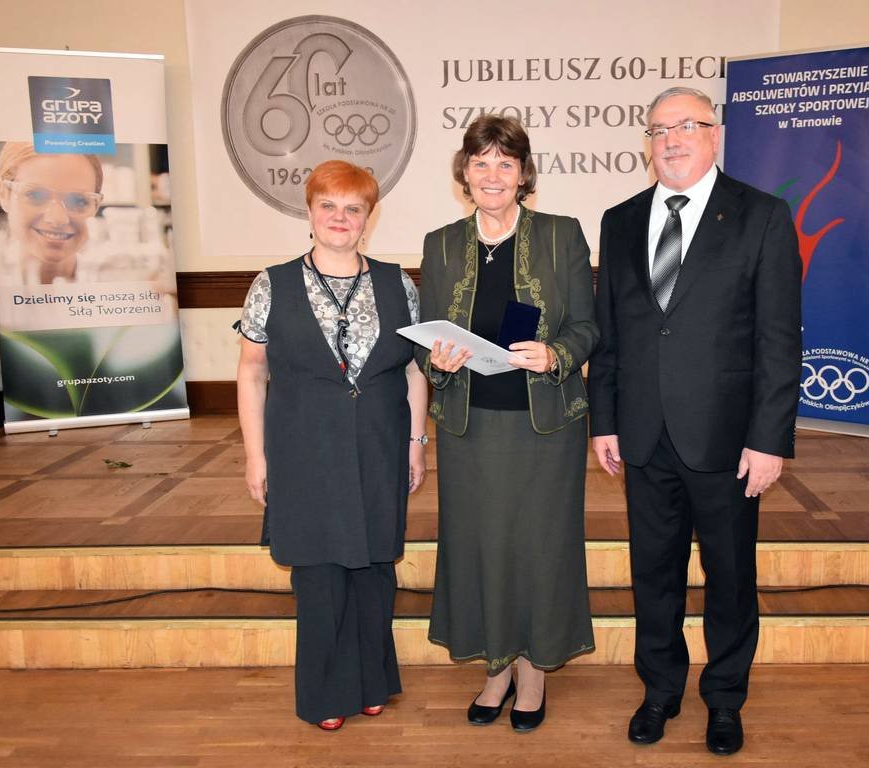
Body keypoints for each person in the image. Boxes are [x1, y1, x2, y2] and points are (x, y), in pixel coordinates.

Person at [588, 87, 802, 754]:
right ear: (646, 144)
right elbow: (610, 332)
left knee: (730, 577)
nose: (671, 139)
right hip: (642, 435)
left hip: (727, 440)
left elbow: (777, 340)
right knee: (653, 574)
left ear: (715, 134)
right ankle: (659, 691)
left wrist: (768, 440)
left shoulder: (762, 215)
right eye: (658, 130)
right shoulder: (620, 220)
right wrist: (603, 421)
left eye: (687, 125)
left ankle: (725, 698)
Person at [419, 115, 598, 732]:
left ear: (523, 174)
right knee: (481, 547)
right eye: (481, 162)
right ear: (464, 173)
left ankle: (534, 671)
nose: (492, 174)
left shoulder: (561, 235)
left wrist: (557, 354)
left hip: (544, 427)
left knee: (540, 549)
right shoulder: (441, 244)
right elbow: (427, 337)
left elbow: (588, 327)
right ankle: (496, 668)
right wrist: (437, 361)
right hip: (469, 429)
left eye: (505, 162)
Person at [237, 160, 428, 732]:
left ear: (369, 218)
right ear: (310, 211)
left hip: (379, 447)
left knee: (374, 567)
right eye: (329, 206)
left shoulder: (399, 284)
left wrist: (416, 444)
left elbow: (414, 371)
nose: (340, 218)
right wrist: (255, 456)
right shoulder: (271, 284)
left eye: (353, 208)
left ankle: (372, 681)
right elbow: (251, 372)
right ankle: (326, 692)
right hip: (303, 452)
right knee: (320, 574)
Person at [0, 142, 104, 285]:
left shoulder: (111, 282)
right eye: (35, 195)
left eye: (78, 201)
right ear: (4, 193)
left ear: (96, 206)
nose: (57, 219)